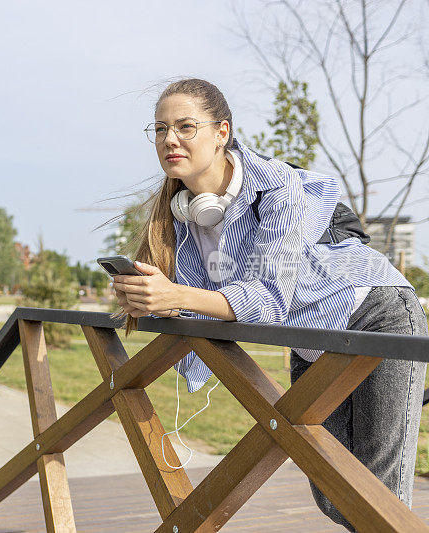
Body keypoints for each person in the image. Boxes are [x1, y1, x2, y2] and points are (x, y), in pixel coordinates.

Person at [111, 78, 427, 531]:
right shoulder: (182, 214)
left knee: (378, 493)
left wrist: (177, 296)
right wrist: (151, 300)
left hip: (377, 317)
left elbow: (271, 299)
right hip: (313, 339)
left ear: (222, 132)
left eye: (185, 126)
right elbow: (209, 309)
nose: (170, 139)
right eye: (160, 129)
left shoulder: (277, 188)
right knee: (332, 490)